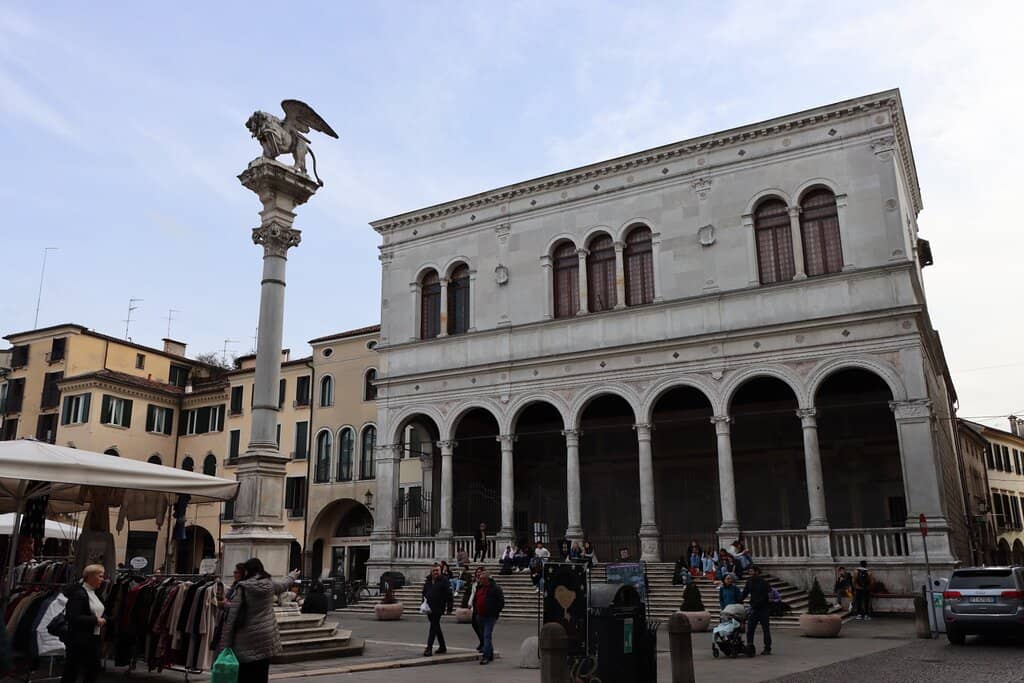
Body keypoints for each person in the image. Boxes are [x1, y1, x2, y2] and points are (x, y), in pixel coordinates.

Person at [220, 558, 301, 683]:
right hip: (265, 637)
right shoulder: (269, 584)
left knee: (244, 674)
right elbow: (283, 584)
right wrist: (292, 576)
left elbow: (232, 617)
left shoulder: (243, 588)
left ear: (248, 571)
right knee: (261, 673)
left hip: (246, 637)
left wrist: (224, 645)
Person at [60, 564, 106, 683]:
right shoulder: (79, 593)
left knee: (91, 669)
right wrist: (95, 620)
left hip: (92, 638)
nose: (103, 579)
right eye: (100, 576)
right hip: (79, 639)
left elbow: (99, 611)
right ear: (90, 577)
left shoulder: (94, 593)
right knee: (73, 670)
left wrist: (104, 618)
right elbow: (72, 616)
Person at [473, 569, 504, 665]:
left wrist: (495, 612)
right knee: (485, 636)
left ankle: (486, 656)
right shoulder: (479, 587)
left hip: (490, 616)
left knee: (487, 635)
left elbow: (501, 602)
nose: (480, 580)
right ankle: (490, 653)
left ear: (487, 579)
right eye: (479, 578)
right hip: (480, 615)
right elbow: (476, 598)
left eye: (482, 579)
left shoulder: (495, 588)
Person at [740, 565, 772, 655]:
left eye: (752, 571)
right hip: (754, 609)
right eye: (749, 571)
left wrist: (755, 605)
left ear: (757, 572)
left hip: (763, 609)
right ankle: (750, 646)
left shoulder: (764, 582)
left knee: (765, 629)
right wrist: (738, 600)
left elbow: (765, 596)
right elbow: (745, 592)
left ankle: (767, 648)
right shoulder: (749, 582)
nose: (750, 573)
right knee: (750, 629)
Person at [422, 563, 452, 656]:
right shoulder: (428, 580)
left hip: (439, 607)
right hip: (429, 607)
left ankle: (429, 648)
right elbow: (424, 592)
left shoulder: (444, 581)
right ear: (431, 571)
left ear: (440, 571)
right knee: (436, 627)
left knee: (433, 627)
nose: (435, 572)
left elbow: (449, 594)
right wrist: (422, 603)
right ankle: (442, 646)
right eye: (434, 570)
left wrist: (449, 607)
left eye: (437, 570)